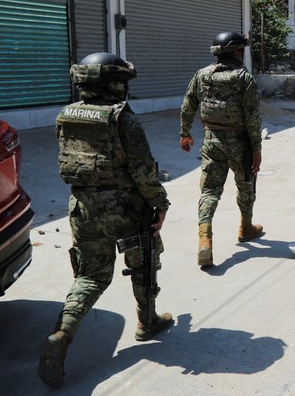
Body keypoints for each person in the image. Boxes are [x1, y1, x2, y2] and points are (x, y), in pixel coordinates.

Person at [39, 53, 172, 389]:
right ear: (114, 84)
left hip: (83, 207)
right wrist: (160, 204)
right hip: (127, 209)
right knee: (144, 262)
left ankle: (62, 334)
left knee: (90, 276)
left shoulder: (66, 114)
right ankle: (147, 322)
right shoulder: (123, 119)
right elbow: (143, 171)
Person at [179, 31, 263, 268]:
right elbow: (252, 117)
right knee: (245, 184)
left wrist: (185, 134)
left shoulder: (202, 75)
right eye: (241, 50)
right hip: (240, 143)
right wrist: (257, 148)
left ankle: (205, 241)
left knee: (209, 191)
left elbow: (188, 105)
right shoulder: (244, 78)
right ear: (236, 52)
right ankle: (246, 228)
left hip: (211, 140)